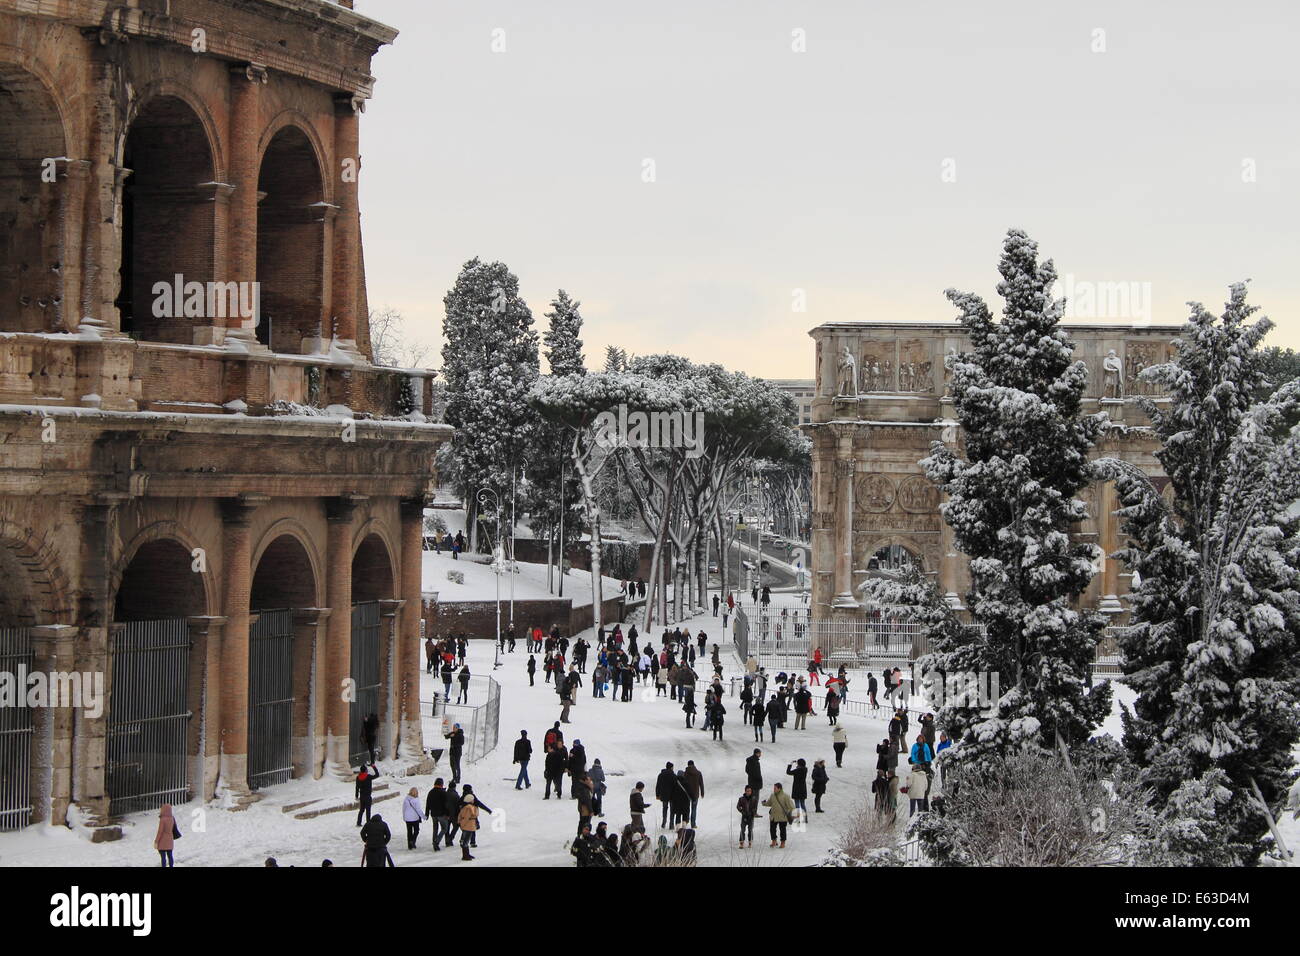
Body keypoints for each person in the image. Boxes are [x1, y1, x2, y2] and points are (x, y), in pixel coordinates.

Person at [762, 782, 795, 848]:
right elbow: (769, 803)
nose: (774, 789)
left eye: (775, 788)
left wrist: (787, 812)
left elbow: (792, 807)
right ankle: (774, 841)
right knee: (772, 829)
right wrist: (764, 803)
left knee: (782, 830)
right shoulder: (772, 795)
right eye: (774, 788)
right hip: (773, 816)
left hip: (782, 817)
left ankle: (783, 842)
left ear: (779, 789)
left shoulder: (785, 796)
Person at [424, 778, 450, 851]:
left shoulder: (431, 792)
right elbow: (446, 804)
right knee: (444, 829)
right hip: (441, 814)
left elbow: (427, 804)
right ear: (441, 784)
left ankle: (434, 842)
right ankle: (436, 841)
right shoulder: (443, 792)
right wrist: (447, 814)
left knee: (435, 829)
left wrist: (427, 814)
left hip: (433, 814)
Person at [457, 792, 481, 860]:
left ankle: (467, 854)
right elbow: (466, 817)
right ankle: (465, 855)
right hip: (468, 826)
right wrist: (463, 825)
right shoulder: (469, 808)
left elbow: (460, 816)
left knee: (466, 840)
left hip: (468, 826)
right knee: (466, 841)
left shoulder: (465, 807)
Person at [683, 760, 705, 828]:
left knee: (686, 808)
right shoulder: (698, 773)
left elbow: (683, 783)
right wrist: (702, 793)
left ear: (688, 765)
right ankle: (693, 824)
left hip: (687, 794)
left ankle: (686, 821)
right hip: (695, 794)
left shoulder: (685, 773)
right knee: (694, 809)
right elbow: (701, 784)